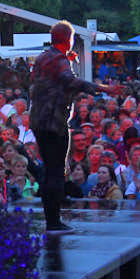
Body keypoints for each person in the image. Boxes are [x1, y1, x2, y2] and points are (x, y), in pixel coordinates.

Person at [30, 21, 119, 233]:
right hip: (54, 122)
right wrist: (104, 88)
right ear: (68, 39)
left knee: (49, 169)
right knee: (56, 171)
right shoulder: (59, 59)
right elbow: (71, 82)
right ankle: (53, 221)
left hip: (39, 120)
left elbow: (50, 80)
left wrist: (67, 62)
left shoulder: (43, 57)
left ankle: (51, 215)